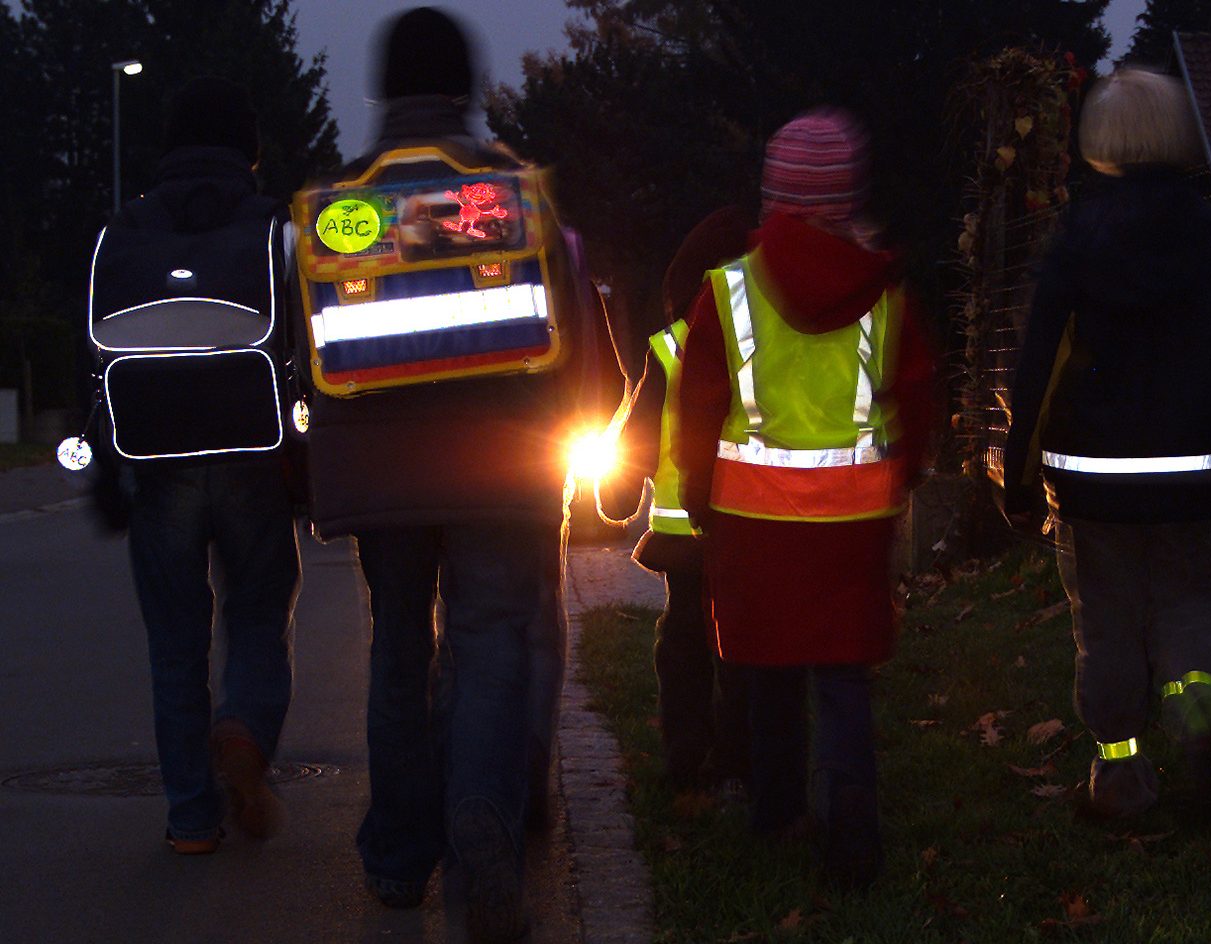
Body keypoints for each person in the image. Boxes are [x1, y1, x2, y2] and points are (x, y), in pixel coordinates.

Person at [294, 8, 620, 937]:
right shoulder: (513, 196)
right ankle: (483, 826)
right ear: (465, 89)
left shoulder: (335, 209)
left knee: (398, 647)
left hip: (381, 476)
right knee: (488, 647)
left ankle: (400, 858)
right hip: (500, 469)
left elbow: (303, 354)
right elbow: (577, 340)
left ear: (384, 91)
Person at [1001, 68, 1211, 819]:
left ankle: (1120, 777)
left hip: (1091, 486)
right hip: (1194, 476)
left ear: (1096, 141)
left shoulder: (1074, 245)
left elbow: (1040, 369)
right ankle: (1204, 710)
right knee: (1190, 603)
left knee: (1105, 625)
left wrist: (1019, 477)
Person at [676, 109, 934, 888]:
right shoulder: (885, 295)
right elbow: (915, 400)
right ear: (847, 201)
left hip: (753, 519)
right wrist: (904, 477)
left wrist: (698, 496)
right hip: (853, 520)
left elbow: (699, 408)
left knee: (770, 670)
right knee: (842, 672)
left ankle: (776, 813)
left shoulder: (726, 292)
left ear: (773, 199)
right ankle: (851, 819)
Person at [98, 77, 302, 854]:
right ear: (247, 147)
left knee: (175, 640)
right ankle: (244, 727)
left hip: (155, 457)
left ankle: (190, 818)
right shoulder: (272, 225)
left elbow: (95, 359)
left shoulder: (126, 229)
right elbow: (302, 347)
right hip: (253, 450)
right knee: (257, 612)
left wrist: (104, 474)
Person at [597, 205, 755, 795]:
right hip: (755, 525)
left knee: (685, 645)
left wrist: (616, 495)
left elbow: (638, 434)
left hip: (686, 538)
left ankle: (687, 760)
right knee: (745, 647)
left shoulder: (672, 347)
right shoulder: (770, 340)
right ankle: (741, 761)